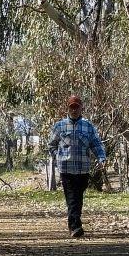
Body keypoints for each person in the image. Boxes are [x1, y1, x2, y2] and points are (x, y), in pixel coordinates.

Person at [50, 95, 106, 238]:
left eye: (76, 107)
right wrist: (58, 156)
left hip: (83, 169)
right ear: (67, 108)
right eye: (71, 107)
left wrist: (101, 158)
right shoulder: (59, 126)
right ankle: (75, 226)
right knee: (71, 197)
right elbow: (51, 145)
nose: (74, 110)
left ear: (82, 108)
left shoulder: (88, 126)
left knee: (78, 197)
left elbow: (96, 144)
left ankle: (75, 224)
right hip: (66, 168)